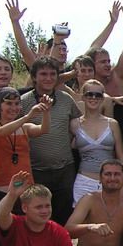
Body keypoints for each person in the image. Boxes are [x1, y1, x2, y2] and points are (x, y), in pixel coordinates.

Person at [0, 88, 51, 246]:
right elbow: (2, 132)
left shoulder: (25, 127)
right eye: (8, 104)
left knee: (26, 238)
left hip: (26, 194)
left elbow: (43, 129)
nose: (13, 108)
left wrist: (46, 112)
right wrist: (28, 116)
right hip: (0, 191)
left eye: (16, 104)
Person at [21, 57, 82, 225]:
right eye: (43, 74)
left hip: (65, 170)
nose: (48, 78)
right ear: (34, 77)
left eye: (52, 74)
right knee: (37, 220)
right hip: (35, 171)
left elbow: (79, 124)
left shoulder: (66, 99)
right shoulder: (23, 102)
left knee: (64, 219)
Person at [70, 80, 123, 205]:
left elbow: (121, 156)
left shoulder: (112, 124)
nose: (93, 98)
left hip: (111, 182)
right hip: (84, 182)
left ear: (102, 98)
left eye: (98, 95)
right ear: (83, 97)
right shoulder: (74, 124)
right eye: (90, 94)